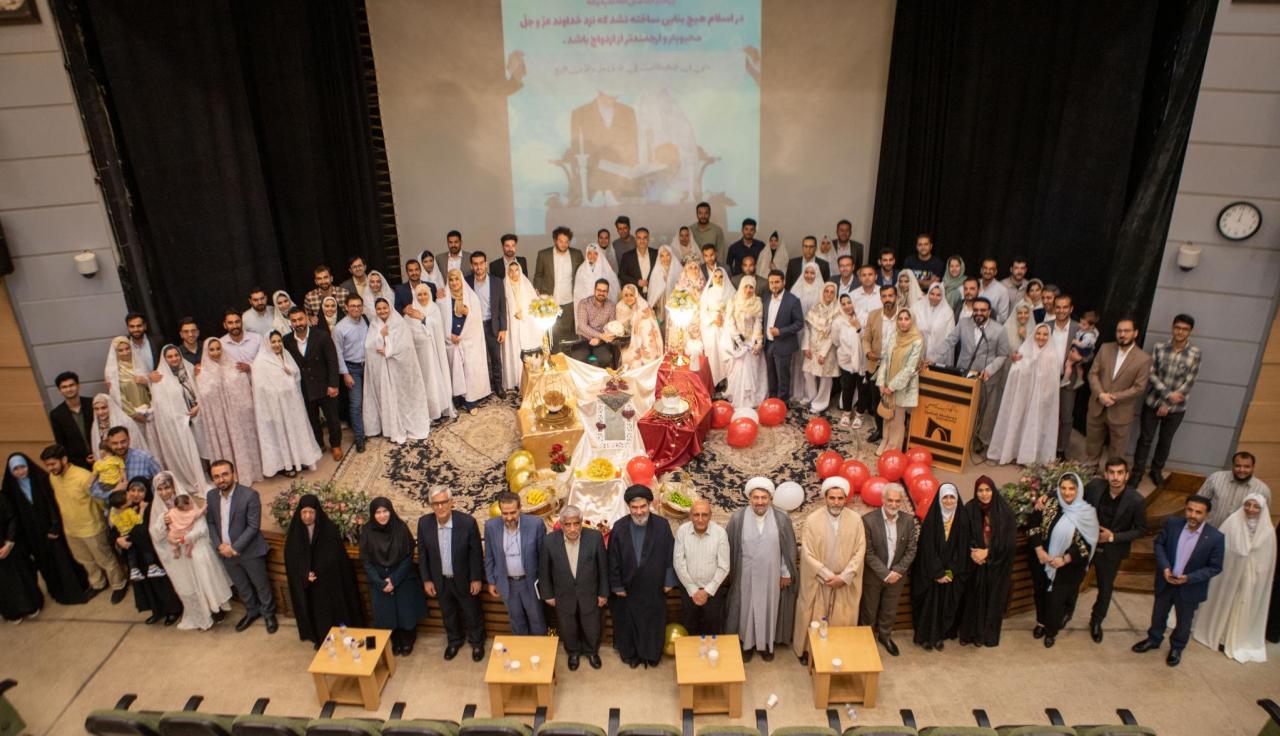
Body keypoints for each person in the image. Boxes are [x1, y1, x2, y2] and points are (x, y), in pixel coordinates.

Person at [1133, 496, 1224, 666]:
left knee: (1184, 621)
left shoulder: (1215, 537)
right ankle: (1153, 639)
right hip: (1166, 581)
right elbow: (1159, 544)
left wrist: (1189, 578)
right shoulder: (1172, 524)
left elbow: (1215, 567)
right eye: (1190, 510)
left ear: (1206, 515)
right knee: (1158, 614)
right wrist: (1165, 568)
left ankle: (1177, 648)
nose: (1193, 515)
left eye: (1198, 512)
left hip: (1190, 587)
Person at [1193, 494, 1275, 662]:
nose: (1251, 509)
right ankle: (1217, 634)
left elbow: (1266, 559)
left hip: (1249, 579)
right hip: (1229, 575)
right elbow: (1222, 550)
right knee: (1223, 601)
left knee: (1240, 605)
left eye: (1256, 506)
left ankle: (1232, 638)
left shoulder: (1267, 532)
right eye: (1248, 505)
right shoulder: (1232, 522)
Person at [40, 445, 127, 603]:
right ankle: (98, 583)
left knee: (105, 559)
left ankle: (119, 584)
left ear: (64, 459)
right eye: (47, 465)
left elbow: (100, 501)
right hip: (71, 529)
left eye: (53, 464)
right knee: (85, 560)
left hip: (92, 527)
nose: (50, 468)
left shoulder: (84, 477)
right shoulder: (53, 477)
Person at [724, 478, 797, 661]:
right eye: (756, 497)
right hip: (745, 574)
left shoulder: (781, 517)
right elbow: (730, 546)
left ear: (770, 498)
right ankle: (747, 644)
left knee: (768, 609)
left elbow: (787, 548)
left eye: (764, 497)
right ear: (749, 498)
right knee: (746, 610)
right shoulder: (738, 518)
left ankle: (766, 645)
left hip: (771, 575)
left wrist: (785, 573)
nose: (760, 502)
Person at [793, 477, 865, 662]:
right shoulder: (812, 520)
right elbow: (807, 553)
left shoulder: (856, 520)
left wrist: (844, 577)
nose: (836, 502)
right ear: (825, 498)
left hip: (844, 581)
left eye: (840, 498)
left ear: (845, 499)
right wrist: (827, 575)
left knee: (842, 618)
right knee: (814, 616)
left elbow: (860, 551)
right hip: (820, 580)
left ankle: (837, 651)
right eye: (832, 498)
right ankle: (808, 652)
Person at [2, 454, 88, 605]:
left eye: (22, 467)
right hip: (33, 536)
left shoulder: (41, 479)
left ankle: (74, 590)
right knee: (46, 564)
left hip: (52, 530)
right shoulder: (10, 489)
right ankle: (57, 591)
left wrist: (55, 526)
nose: (20, 472)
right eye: (16, 469)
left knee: (62, 559)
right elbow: (12, 516)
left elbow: (52, 504)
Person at [608, 485, 677, 669]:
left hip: (654, 588)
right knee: (629, 623)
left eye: (643, 507)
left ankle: (651, 655)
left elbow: (670, 554)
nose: (639, 512)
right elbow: (612, 559)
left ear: (649, 504)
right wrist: (617, 586)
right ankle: (632, 655)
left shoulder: (662, 525)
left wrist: (669, 580)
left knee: (652, 623)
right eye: (634, 507)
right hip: (628, 589)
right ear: (628, 507)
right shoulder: (619, 527)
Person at [205, 460, 277, 633]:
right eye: (216, 476)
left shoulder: (249, 495)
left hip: (250, 551)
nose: (221, 479)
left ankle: (269, 614)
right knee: (242, 586)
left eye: (224, 474)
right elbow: (211, 523)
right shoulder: (211, 496)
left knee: (261, 585)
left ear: (234, 474)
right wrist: (220, 546)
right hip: (225, 552)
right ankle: (252, 611)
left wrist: (234, 548)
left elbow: (253, 526)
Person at [1028, 473, 1098, 648]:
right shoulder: (1048, 503)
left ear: (1078, 490)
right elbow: (1033, 525)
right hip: (1042, 561)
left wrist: (1065, 559)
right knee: (1040, 593)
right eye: (1063, 488)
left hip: (1067, 567)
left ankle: (1051, 631)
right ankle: (1041, 622)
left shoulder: (1087, 514)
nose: (1067, 492)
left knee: (1056, 600)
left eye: (1072, 489)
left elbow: (1086, 544)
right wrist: (1039, 550)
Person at [1081, 458, 1147, 643]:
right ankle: (1065, 613)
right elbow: (1072, 493)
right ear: (1106, 474)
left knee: (1105, 589)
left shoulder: (1136, 500)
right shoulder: (1095, 487)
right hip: (1087, 545)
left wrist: (1112, 537)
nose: (1115, 477)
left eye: (1119, 473)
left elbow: (1141, 530)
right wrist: (1049, 496)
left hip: (1112, 551)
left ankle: (1096, 621)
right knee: (1072, 581)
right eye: (1111, 472)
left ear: (1127, 475)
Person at [935, 297, 1010, 461]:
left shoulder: (999, 330)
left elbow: (1003, 354)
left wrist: (989, 369)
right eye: (976, 310)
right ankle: (958, 438)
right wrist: (932, 358)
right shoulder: (963, 323)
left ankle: (979, 441)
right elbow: (949, 342)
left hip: (986, 377)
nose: (979, 313)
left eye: (982, 310)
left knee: (983, 411)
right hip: (963, 374)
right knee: (960, 407)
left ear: (989, 312)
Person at [418, 486, 486, 661]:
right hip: (440, 580)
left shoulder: (467, 523)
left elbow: (476, 554)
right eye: (436, 504)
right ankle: (454, 641)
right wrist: (426, 579)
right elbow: (423, 554)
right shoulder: (424, 524)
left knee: (472, 613)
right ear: (431, 505)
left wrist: (476, 578)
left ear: (451, 502)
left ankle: (477, 643)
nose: (440, 507)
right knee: (448, 614)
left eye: (444, 502)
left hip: (465, 579)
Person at [1133, 314, 1200, 488]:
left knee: (1165, 441)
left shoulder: (1195, 354)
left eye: (1185, 329)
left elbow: (1189, 382)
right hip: (1153, 402)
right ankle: (1137, 473)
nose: (1180, 332)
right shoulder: (1159, 348)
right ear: (1172, 328)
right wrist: (1167, 396)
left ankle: (1156, 471)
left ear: (1190, 331)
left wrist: (1169, 404)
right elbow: (1151, 373)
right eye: (1177, 328)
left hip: (1177, 408)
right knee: (1145, 439)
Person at [539, 504, 609, 670]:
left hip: (590, 593)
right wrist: (548, 595)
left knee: (592, 626)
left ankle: (592, 652)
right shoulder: (549, 541)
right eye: (568, 524)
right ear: (561, 525)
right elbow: (544, 571)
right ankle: (573, 653)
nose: (572, 529)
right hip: (563, 595)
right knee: (567, 627)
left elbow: (603, 568)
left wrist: (603, 593)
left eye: (576, 524)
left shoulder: (595, 538)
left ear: (581, 522)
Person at [360, 497, 426, 656]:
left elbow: (408, 557)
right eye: (378, 512)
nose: (382, 515)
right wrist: (381, 583)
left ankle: (408, 641)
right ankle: (395, 641)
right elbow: (366, 561)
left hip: (402, 578)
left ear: (391, 511)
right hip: (379, 581)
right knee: (386, 614)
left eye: (385, 511)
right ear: (373, 514)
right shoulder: (367, 531)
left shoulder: (401, 528)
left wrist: (394, 579)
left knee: (406, 612)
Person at [252, 331, 323, 477]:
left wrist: (289, 372)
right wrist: (278, 390)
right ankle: (287, 465)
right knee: (281, 435)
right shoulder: (260, 362)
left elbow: (296, 374)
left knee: (297, 430)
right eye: (273, 342)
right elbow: (260, 387)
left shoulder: (286, 355)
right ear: (267, 344)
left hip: (292, 403)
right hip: (275, 407)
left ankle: (301, 459)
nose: (277, 344)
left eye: (279, 341)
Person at [1084, 318, 1152, 468]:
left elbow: (1139, 387)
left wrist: (1113, 397)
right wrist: (1101, 394)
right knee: (1092, 445)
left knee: (1117, 452)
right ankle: (1090, 471)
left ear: (1135, 333)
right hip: (1097, 406)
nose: (1122, 334)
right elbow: (1093, 374)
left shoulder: (1144, 359)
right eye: (1119, 331)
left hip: (1121, 412)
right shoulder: (1105, 348)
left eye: (1126, 331)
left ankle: (1111, 477)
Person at [957, 476, 1016, 647]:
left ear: (993, 490)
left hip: (995, 567)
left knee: (991, 601)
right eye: (980, 490)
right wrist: (973, 553)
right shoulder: (969, 509)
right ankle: (967, 634)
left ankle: (982, 636)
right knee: (971, 600)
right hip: (974, 564)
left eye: (987, 490)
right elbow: (962, 534)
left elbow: (1009, 542)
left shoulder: (1004, 512)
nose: (984, 494)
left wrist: (988, 553)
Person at [987, 323, 1059, 465]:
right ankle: (1011, 452)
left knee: (1033, 426)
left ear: (1049, 337)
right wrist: (1024, 364)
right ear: (1034, 334)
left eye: (1045, 334)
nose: (1041, 337)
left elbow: (1053, 383)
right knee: (1016, 422)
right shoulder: (1024, 350)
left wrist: (1043, 395)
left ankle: (1028, 457)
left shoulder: (1052, 355)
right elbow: (1015, 372)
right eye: (1038, 333)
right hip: (1022, 396)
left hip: (1040, 400)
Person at [861, 483, 917, 656]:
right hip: (874, 576)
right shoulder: (868, 520)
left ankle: (885, 636)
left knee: (890, 609)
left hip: (897, 577)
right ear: (883, 500)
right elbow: (868, 553)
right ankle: (866, 639)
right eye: (890, 500)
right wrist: (885, 574)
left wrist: (897, 572)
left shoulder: (908, 520)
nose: (893, 504)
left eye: (897, 501)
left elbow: (911, 549)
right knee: (869, 610)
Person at [365, 298, 434, 439]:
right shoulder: (374, 324)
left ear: (390, 308)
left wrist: (389, 350)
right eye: (379, 309)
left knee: (404, 398)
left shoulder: (399, 323)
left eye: (385, 308)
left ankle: (408, 424)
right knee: (390, 398)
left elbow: (406, 346)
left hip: (399, 370)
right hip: (383, 371)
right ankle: (393, 427)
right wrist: (380, 336)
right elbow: (368, 346)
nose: (382, 311)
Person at [197, 338, 263, 484]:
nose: (215, 352)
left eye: (218, 348)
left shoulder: (233, 366)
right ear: (206, 352)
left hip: (237, 417)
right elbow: (203, 397)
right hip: (219, 419)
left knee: (241, 443)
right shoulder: (202, 373)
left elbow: (244, 389)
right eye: (211, 350)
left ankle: (247, 473)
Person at [912, 482, 968, 651]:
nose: (949, 501)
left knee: (945, 606)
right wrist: (938, 573)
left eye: (952, 497)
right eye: (945, 497)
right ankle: (925, 637)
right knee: (929, 606)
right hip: (931, 574)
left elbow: (962, 549)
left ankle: (939, 637)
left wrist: (949, 572)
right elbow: (927, 549)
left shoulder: (962, 520)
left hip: (950, 575)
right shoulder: (931, 520)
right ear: (939, 499)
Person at [119, 477, 182, 625]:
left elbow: (146, 531)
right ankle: (156, 610)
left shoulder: (151, 508)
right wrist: (117, 539)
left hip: (152, 553)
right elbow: (116, 528)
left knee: (160, 583)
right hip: (136, 556)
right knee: (145, 585)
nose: (136, 494)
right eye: (132, 490)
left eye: (141, 491)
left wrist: (128, 538)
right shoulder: (125, 507)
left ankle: (172, 610)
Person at [281, 308, 342, 460]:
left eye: (300, 319)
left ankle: (335, 445)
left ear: (307, 319)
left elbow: (332, 361)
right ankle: (319, 444)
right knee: (311, 419)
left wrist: (333, 384)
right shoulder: (286, 341)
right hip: (304, 388)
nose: (298, 323)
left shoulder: (322, 336)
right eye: (294, 321)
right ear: (290, 323)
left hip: (325, 385)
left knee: (332, 418)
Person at [483, 492, 547, 635]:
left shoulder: (535, 524)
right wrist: (491, 581)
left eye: (513, 512)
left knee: (537, 620)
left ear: (520, 508)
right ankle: (521, 647)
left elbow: (544, 557)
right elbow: (489, 556)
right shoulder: (491, 526)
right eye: (505, 513)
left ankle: (540, 648)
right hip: (507, 584)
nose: (509, 517)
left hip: (531, 583)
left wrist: (546, 582)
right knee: (517, 621)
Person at [149, 345, 208, 489]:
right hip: (181, 422)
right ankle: (196, 477)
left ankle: (208, 473)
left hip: (199, 414)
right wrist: (182, 417)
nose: (174, 359)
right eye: (169, 356)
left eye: (176, 355)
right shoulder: (159, 378)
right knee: (190, 451)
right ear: (164, 359)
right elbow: (161, 406)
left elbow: (203, 390)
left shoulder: (189, 369)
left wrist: (198, 406)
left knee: (204, 447)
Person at [673, 499, 730, 636]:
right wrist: (693, 590)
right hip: (688, 590)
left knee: (712, 630)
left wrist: (707, 591)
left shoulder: (720, 533)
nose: (700, 519)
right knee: (690, 629)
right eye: (696, 515)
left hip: (713, 591)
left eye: (704, 515)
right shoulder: (682, 531)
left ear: (710, 516)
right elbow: (678, 562)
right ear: (690, 516)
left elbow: (724, 566)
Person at [875, 309, 924, 456]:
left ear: (912, 321)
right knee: (887, 414)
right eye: (900, 319)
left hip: (902, 385)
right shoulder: (894, 335)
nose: (903, 322)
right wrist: (881, 382)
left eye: (906, 319)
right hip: (887, 382)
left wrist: (892, 386)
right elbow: (885, 359)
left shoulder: (917, 340)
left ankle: (893, 448)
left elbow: (910, 368)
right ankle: (885, 440)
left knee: (897, 419)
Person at [104, 336, 162, 459]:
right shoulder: (113, 372)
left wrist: (146, 381)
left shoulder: (139, 365)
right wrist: (135, 414)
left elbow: (154, 387)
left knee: (157, 447)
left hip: (150, 413)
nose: (125, 352)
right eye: (120, 350)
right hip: (131, 417)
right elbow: (117, 397)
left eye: (127, 348)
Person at [405, 284, 457, 421]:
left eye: (425, 294)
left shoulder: (434, 308)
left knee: (435, 378)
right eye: (419, 294)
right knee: (425, 380)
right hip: (420, 354)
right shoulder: (411, 310)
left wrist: (423, 318)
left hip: (435, 351)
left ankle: (441, 408)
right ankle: (429, 411)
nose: (422, 297)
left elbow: (438, 326)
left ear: (429, 294)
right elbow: (408, 331)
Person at [532, 226, 584, 348]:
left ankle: (566, 357)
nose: (564, 244)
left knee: (567, 336)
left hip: (569, 302)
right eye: (561, 241)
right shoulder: (543, 254)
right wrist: (538, 292)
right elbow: (538, 275)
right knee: (550, 335)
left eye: (566, 241)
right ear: (555, 240)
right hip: (549, 302)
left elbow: (582, 274)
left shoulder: (576, 254)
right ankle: (552, 357)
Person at [467, 252, 509, 397]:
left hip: (492, 325)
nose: (478, 267)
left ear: (485, 264)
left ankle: (498, 387)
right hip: (474, 327)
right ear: (472, 266)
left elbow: (502, 307)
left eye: (481, 263)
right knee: (478, 359)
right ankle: (482, 389)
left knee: (496, 358)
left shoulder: (497, 282)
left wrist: (503, 328)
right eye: (475, 264)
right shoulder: (466, 282)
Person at [333, 295, 370, 452]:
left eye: (359, 305)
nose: (356, 309)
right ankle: (359, 438)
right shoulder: (339, 328)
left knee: (371, 400)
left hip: (368, 366)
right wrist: (345, 374)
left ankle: (372, 429)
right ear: (346, 308)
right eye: (353, 306)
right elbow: (338, 354)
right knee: (356, 403)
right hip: (352, 369)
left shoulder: (366, 321)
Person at [860, 285, 897, 444]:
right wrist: (868, 352)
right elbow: (866, 338)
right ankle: (880, 431)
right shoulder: (873, 315)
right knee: (876, 401)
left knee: (894, 404)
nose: (887, 299)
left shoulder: (904, 316)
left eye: (890, 296)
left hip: (895, 368)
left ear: (896, 297)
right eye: (884, 296)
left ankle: (894, 435)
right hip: (875, 365)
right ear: (880, 298)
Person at [0, 489, 44, 622]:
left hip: (9, 548)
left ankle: (31, 606)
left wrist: (9, 542)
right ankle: (12, 613)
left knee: (21, 577)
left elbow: (12, 517)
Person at [1197, 451, 1271, 529]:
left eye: (1247, 467)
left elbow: (1262, 518)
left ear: (1253, 467)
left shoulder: (1262, 490)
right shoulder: (1215, 478)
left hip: (1238, 534)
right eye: (1238, 466)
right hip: (1208, 529)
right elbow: (1198, 502)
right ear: (1232, 466)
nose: (1242, 470)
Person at [1045, 295, 1080, 460]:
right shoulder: (1046, 327)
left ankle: (1061, 450)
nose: (1061, 310)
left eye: (1065, 307)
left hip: (1068, 379)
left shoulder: (1078, 329)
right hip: (1046, 378)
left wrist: (1079, 358)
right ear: (1054, 308)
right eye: (1058, 307)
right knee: (1045, 413)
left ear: (1071, 309)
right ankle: (1043, 447)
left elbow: (1089, 353)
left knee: (1065, 417)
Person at [762, 270, 804, 404]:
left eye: (777, 282)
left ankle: (782, 404)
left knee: (783, 376)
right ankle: (772, 402)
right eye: (771, 283)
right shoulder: (766, 299)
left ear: (783, 282)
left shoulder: (793, 300)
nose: (774, 285)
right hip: (768, 344)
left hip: (784, 344)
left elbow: (799, 323)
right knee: (771, 374)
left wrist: (780, 331)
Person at [724, 280, 768, 409]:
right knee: (738, 369)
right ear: (741, 286)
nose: (748, 290)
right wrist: (738, 340)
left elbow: (758, 323)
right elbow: (730, 322)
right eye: (746, 287)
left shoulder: (757, 302)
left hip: (751, 341)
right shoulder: (733, 301)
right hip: (737, 341)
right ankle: (738, 397)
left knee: (751, 368)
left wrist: (757, 342)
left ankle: (751, 399)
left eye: (751, 287)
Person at [89, 426, 162, 502]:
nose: (120, 446)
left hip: (143, 506)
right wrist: (114, 492)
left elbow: (161, 482)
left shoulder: (145, 458)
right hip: (116, 508)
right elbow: (94, 490)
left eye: (123, 442)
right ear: (109, 444)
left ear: (129, 440)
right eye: (115, 443)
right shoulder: (102, 462)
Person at [800, 282, 841, 414]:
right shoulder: (815, 307)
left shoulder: (838, 310)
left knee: (825, 377)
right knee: (808, 373)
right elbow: (807, 328)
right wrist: (806, 347)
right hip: (812, 346)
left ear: (835, 294)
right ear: (822, 292)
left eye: (832, 292)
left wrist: (823, 353)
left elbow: (833, 334)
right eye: (826, 291)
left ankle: (821, 402)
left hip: (828, 349)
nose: (828, 294)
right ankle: (811, 397)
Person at [501, 261, 542, 391]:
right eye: (511, 271)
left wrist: (523, 313)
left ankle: (528, 378)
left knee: (527, 350)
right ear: (507, 272)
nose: (514, 273)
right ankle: (515, 380)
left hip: (526, 323)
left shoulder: (526, 284)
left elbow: (534, 305)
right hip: (511, 324)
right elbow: (502, 306)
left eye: (516, 270)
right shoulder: (504, 285)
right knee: (513, 351)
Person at [49, 372, 94, 470]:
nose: (69, 389)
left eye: (71, 385)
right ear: (59, 390)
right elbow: (61, 442)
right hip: (78, 464)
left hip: (102, 456)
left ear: (78, 386)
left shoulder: (92, 404)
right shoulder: (56, 414)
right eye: (64, 387)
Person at [699, 266, 736, 385]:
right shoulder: (708, 292)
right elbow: (702, 312)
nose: (718, 279)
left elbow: (735, 309)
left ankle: (728, 381)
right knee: (714, 354)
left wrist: (725, 318)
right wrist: (713, 319)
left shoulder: (730, 292)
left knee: (726, 350)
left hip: (727, 325)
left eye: (721, 277)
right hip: (711, 327)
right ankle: (715, 382)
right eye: (715, 276)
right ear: (712, 277)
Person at [833, 294, 864, 427]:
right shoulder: (838, 322)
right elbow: (835, 341)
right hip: (846, 361)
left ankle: (859, 414)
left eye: (849, 302)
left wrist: (858, 327)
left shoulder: (863, 316)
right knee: (847, 388)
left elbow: (868, 338)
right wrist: (846, 352)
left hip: (863, 361)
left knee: (863, 388)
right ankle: (846, 413)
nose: (847, 306)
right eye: (843, 304)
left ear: (854, 302)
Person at [573, 279, 619, 369]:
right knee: (579, 357)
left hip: (601, 341)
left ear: (607, 293)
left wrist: (599, 339)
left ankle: (598, 376)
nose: (601, 293)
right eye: (599, 290)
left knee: (605, 358)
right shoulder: (584, 303)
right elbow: (582, 326)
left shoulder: (611, 306)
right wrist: (600, 336)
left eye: (604, 291)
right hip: (584, 338)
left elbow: (611, 328)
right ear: (594, 290)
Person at [616, 284, 664, 368]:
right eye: (626, 295)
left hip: (643, 336)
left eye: (631, 295)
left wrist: (636, 318)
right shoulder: (620, 306)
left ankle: (646, 359)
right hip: (626, 336)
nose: (628, 298)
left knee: (645, 324)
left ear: (636, 295)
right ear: (622, 296)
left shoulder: (643, 304)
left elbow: (650, 322)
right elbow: (620, 324)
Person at [914, 283, 956, 364]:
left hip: (938, 355)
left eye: (938, 295)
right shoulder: (917, 307)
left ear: (943, 296)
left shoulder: (948, 312)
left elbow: (949, 337)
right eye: (932, 294)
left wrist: (936, 357)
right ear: (928, 294)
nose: (934, 297)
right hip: (918, 351)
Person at [220, 311, 264, 379]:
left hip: (259, 381)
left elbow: (267, 360)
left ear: (242, 322)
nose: (235, 326)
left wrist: (250, 367)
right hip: (235, 384)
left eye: (237, 322)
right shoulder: (220, 344)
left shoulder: (257, 339)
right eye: (230, 323)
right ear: (225, 325)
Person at [618, 227, 659, 298]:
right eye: (639, 238)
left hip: (654, 295)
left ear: (648, 239)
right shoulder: (627, 256)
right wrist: (637, 281)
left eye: (645, 238)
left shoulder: (656, 254)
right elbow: (621, 275)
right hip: (634, 296)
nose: (642, 241)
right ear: (635, 240)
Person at [645, 245, 680, 324]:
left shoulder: (678, 269)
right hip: (660, 303)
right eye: (662, 256)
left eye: (667, 255)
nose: (665, 258)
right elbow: (653, 291)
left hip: (674, 302)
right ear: (659, 257)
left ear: (671, 255)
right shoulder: (656, 271)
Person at [977, 258, 1011, 323]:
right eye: (985, 268)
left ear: (995, 272)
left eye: (991, 269)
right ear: (981, 270)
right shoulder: (974, 285)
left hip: (991, 326)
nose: (988, 271)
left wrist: (985, 322)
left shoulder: (1002, 290)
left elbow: (1003, 318)